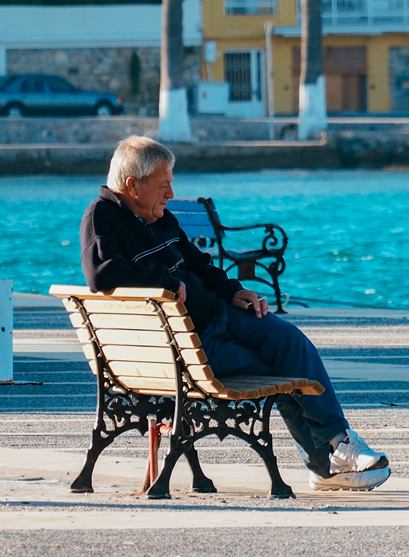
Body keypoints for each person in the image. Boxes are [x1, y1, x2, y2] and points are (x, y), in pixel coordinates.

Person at [80, 135, 390, 491]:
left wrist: (234, 291)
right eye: (164, 185)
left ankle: (336, 451)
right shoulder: (101, 216)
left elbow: (201, 265)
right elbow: (100, 273)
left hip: (219, 315)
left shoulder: (160, 218)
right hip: (188, 344)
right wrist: (162, 280)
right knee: (286, 370)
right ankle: (329, 461)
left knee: (292, 343)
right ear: (133, 186)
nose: (170, 194)